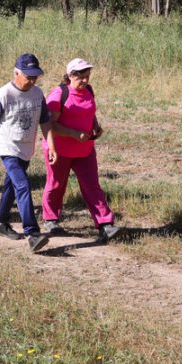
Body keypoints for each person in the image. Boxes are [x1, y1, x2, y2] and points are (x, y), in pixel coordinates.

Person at [0, 53, 54, 253]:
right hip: (8, 147)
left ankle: (1, 222)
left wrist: (52, 145)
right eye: (28, 76)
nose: (32, 80)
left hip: (26, 148)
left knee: (11, 186)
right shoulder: (4, 94)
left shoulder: (38, 94)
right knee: (22, 185)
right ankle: (32, 233)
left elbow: (45, 122)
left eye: (35, 76)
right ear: (16, 73)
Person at [39, 59, 120, 241]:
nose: (84, 81)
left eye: (87, 76)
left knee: (92, 186)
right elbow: (50, 125)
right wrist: (73, 133)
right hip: (58, 150)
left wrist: (95, 126)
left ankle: (105, 224)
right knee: (56, 185)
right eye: (80, 77)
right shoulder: (59, 94)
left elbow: (90, 112)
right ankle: (51, 220)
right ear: (70, 76)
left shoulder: (88, 90)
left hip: (84, 149)